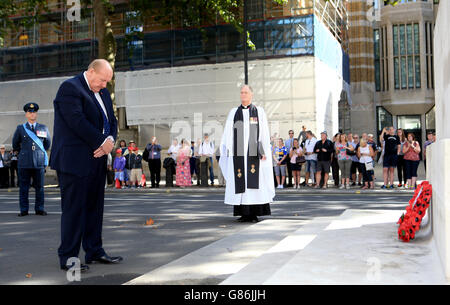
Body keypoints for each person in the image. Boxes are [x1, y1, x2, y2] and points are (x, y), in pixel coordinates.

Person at [50, 59, 122, 273]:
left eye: (108, 82)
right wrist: (103, 142)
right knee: (74, 210)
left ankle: (94, 250)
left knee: (94, 209)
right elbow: (77, 122)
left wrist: (109, 143)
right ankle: (69, 257)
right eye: (102, 80)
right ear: (91, 72)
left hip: (97, 160)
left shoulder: (103, 94)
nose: (104, 85)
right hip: (74, 161)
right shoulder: (70, 88)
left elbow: (112, 122)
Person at [219, 85, 274, 223]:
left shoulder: (259, 111)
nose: (243, 95)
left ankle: (254, 213)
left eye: (246, 92)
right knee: (240, 182)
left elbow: (263, 133)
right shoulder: (233, 112)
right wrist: (227, 148)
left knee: (254, 183)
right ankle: (243, 213)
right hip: (238, 153)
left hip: (253, 153)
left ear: (251, 95)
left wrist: (262, 150)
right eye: (241, 92)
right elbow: (228, 132)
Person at [12, 102, 51, 216]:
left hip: (38, 162)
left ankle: (39, 208)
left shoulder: (43, 128)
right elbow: (15, 144)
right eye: (30, 112)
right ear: (26, 114)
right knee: (24, 188)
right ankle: (24, 210)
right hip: (24, 163)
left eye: (34, 112)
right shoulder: (20, 128)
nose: (32, 114)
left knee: (39, 188)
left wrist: (39, 153)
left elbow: (47, 144)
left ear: (36, 114)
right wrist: (24, 153)